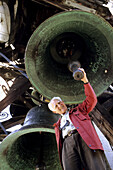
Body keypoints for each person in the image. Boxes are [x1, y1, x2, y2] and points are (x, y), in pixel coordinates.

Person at [48, 68, 111, 170]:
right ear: (55, 111)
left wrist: (85, 81)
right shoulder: (57, 126)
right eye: (56, 106)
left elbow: (92, 99)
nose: (59, 106)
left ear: (63, 102)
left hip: (84, 138)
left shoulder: (79, 111)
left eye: (60, 102)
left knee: (96, 167)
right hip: (67, 143)